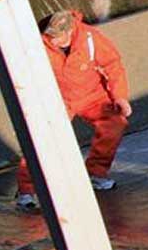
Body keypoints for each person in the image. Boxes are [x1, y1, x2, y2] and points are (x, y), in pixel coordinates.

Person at [16, 10, 132, 208]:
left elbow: (113, 66)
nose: (52, 42)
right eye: (50, 37)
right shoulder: (37, 43)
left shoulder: (91, 39)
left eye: (57, 37)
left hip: (92, 97)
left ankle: (96, 173)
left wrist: (119, 97)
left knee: (114, 123)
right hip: (56, 100)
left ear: (70, 31)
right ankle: (26, 190)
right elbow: (13, 65)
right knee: (41, 139)